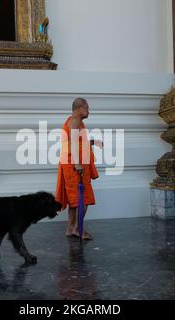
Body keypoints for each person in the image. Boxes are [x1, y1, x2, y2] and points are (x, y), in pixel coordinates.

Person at [55, 98, 103, 241]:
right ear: (80, 108)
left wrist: (93, 142)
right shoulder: (75, 121)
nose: (89, 111)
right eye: (87, 108)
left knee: (75, 200)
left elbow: (77, 141)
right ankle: (77, 228)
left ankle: (70, 229)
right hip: (73, 166)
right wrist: (77, 164)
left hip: (71, 164)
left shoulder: (75, 122)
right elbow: (74, 145)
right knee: (84, 198)